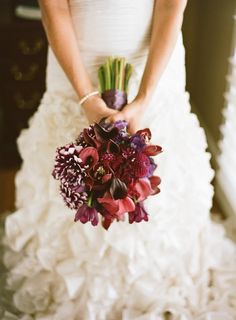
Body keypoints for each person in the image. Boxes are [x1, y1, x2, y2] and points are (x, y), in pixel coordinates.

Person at [1, 0, 236, 319]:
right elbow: (53, 7)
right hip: (75, 66)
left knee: (155, 186)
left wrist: (143, 99)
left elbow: (170, 6)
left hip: (150, 68)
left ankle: (152, 282)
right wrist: (86, 98)